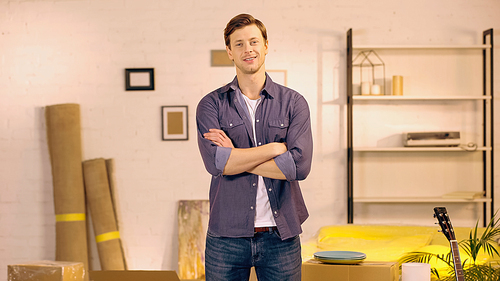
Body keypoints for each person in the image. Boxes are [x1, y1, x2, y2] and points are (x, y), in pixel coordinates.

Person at [196, 13, 313, 281]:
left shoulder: (294, 103)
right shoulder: (211, 105)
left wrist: (235, 157)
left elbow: (299, 166)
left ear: (266, 46)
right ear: (229, 52)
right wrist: (275, 148)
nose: (247, 49)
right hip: (226, 236)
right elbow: (216, 164)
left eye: (253, 42)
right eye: (238, 44)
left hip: (280, 236)